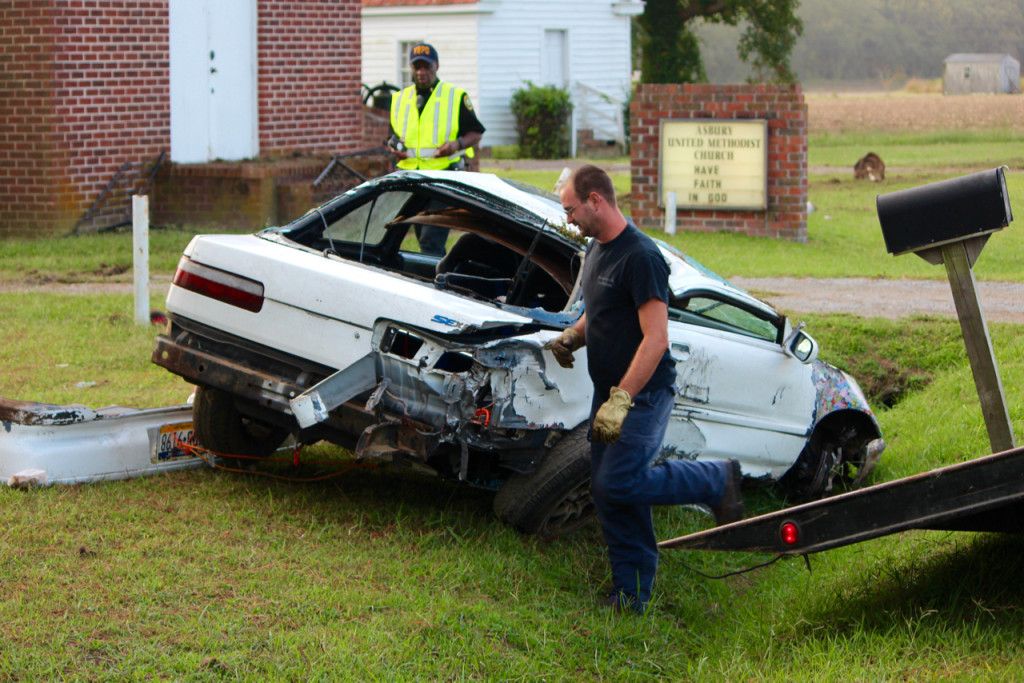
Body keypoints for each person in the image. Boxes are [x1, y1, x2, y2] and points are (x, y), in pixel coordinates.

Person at [548, 165, 744, 615]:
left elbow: (656, 339)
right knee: (608, 490)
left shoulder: (641, 256)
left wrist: (622, 400)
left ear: (596, 199)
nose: (569, 220)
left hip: (643, 395)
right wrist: (573, 337)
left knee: (619, 481)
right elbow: (599, 312)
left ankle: (717, 480)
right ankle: (631, 595)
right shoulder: (598, 250)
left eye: (571, 209)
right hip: (610, 394)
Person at [388, 43, 485, 255]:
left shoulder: (455, 96)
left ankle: (438, 283)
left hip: (443, 177)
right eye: (417, 67)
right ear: (411, 68)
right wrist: (395, 147)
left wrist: (455, 146)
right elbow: (392, 135)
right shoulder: (399, 99)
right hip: (412, 177)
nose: (422, 72)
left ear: (436, 66)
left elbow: (476, 132)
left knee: (431, 240)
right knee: (418, 234)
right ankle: (431, 276)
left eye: (427, 67)